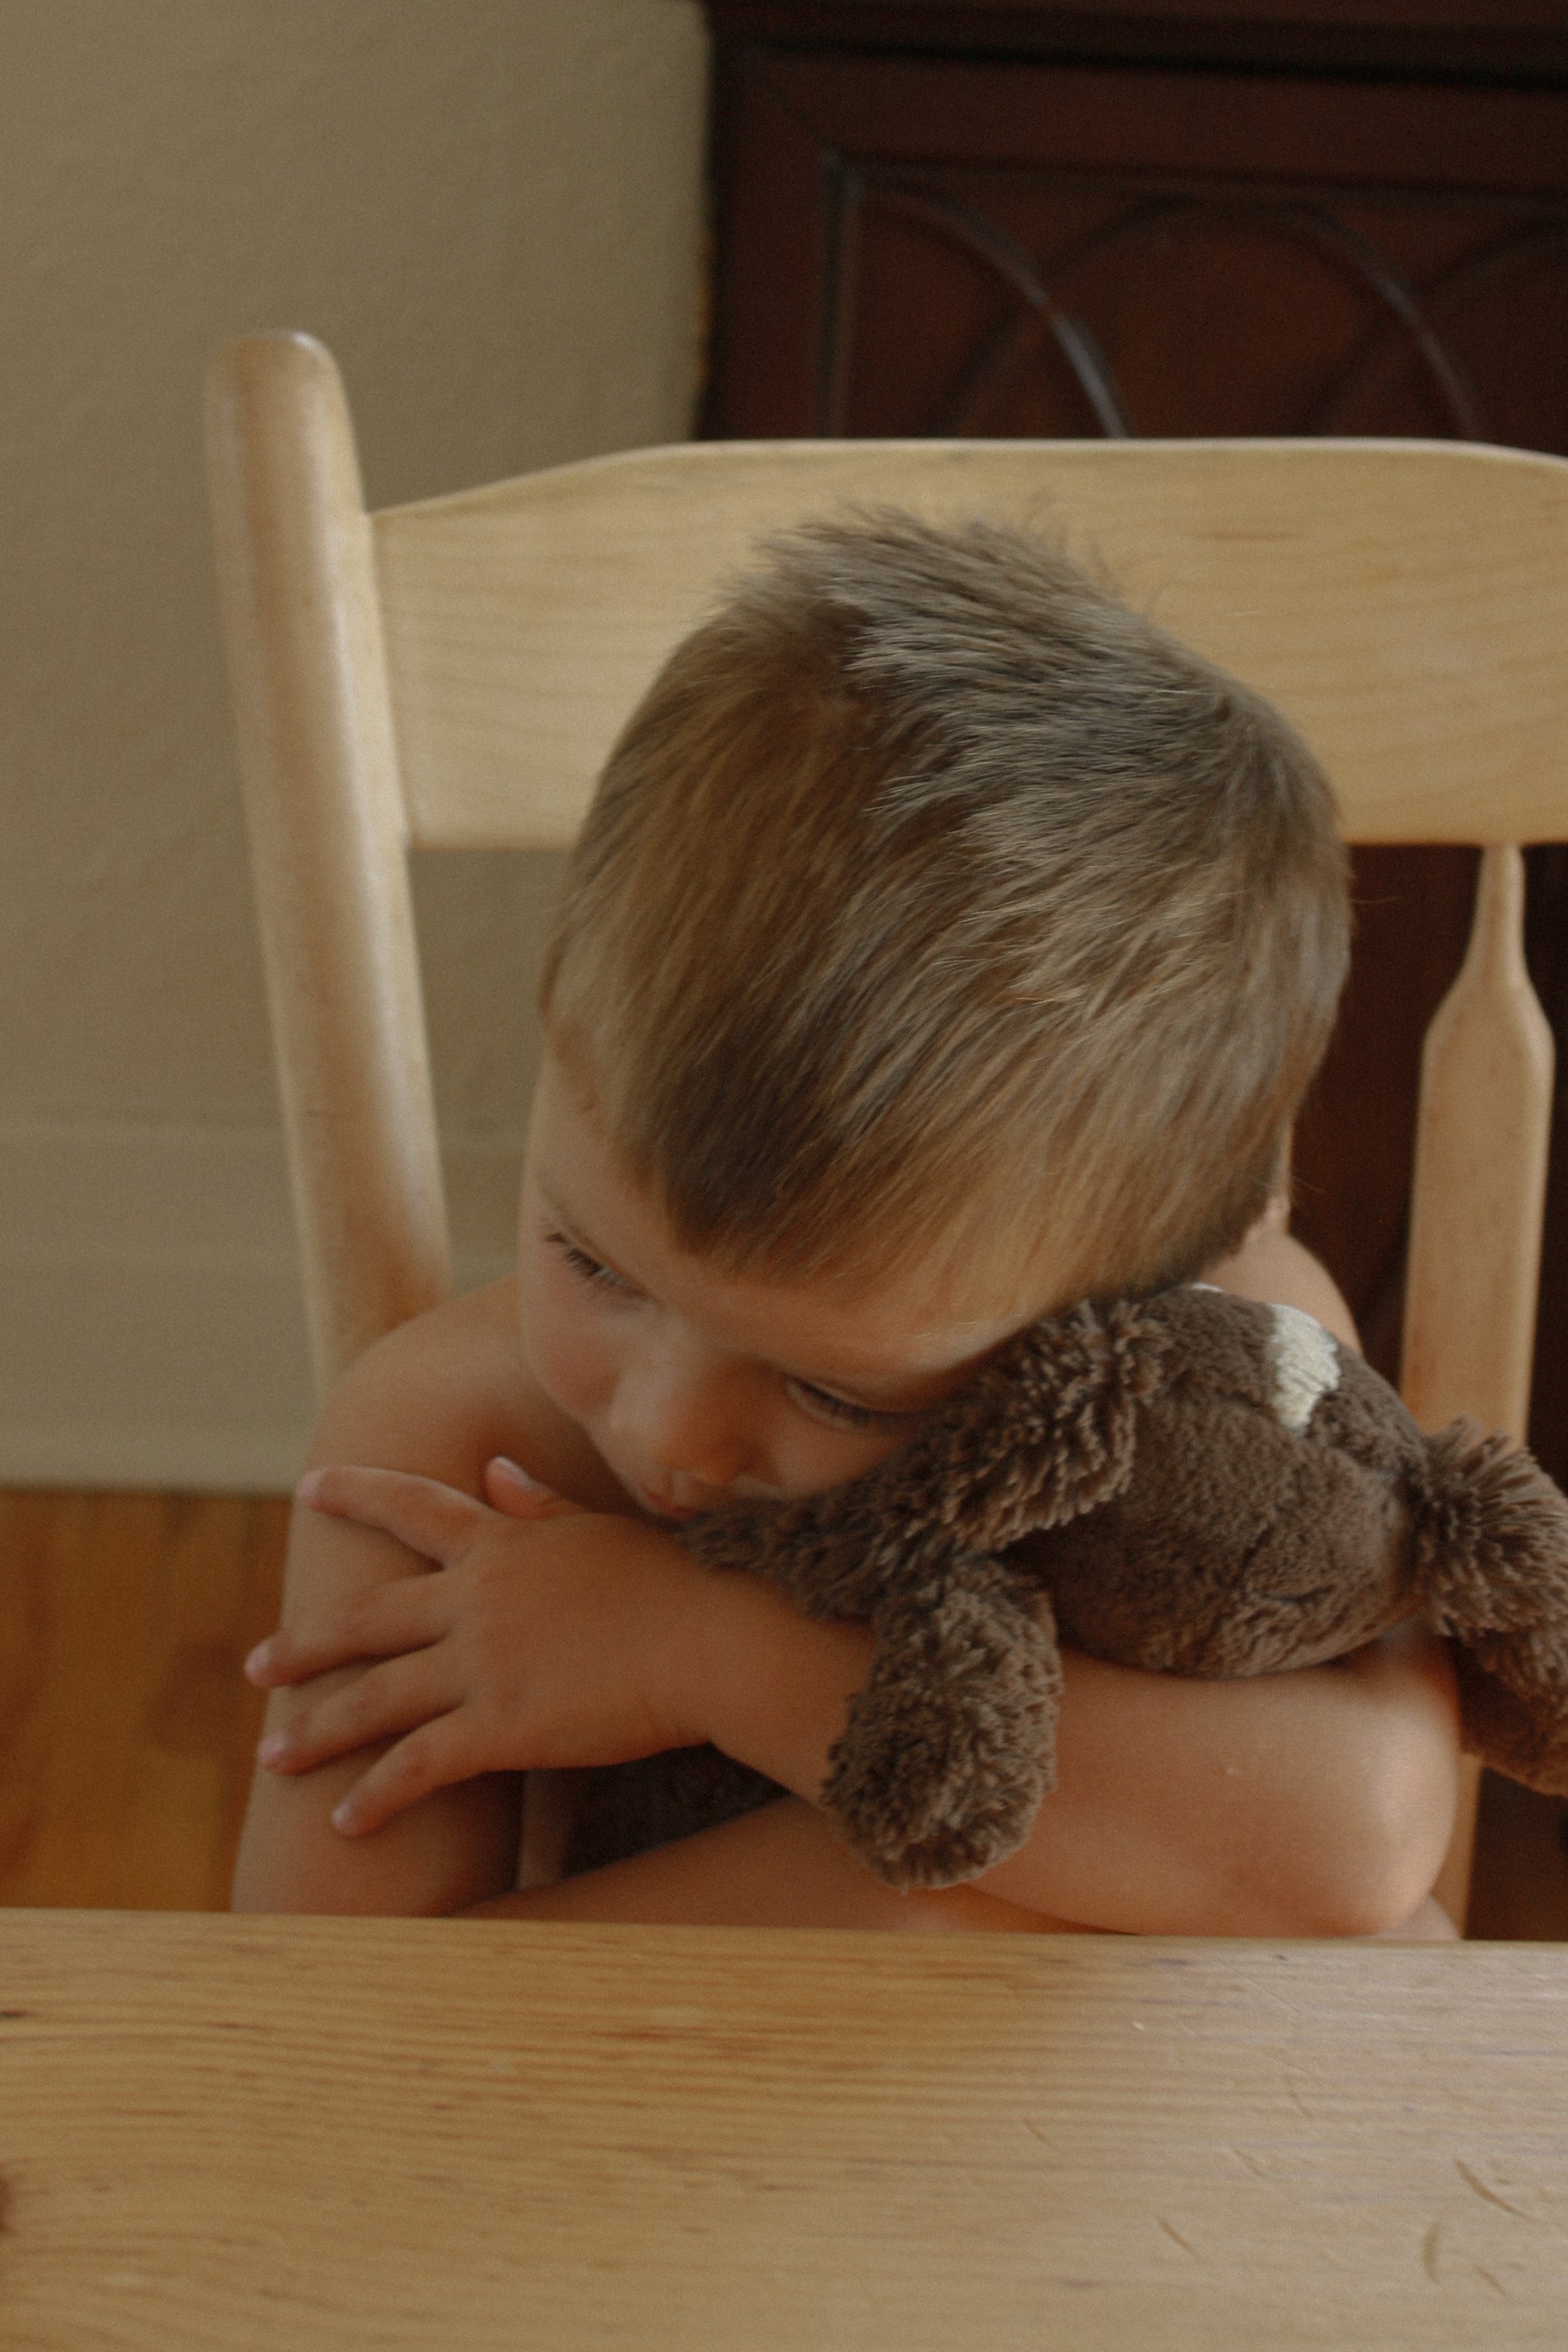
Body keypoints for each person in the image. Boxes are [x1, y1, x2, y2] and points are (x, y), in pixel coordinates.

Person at [232, 514, 1460, 1935]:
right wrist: (968, 1916)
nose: (666, 1432)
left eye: (833, 1387)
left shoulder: (1227, 1384)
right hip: (626, 2140)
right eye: (590, 1261)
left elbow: (1357, 1842)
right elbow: (331, 2024)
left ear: (1164, 1290)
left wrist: (704, 1658)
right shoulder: (450, 1449)